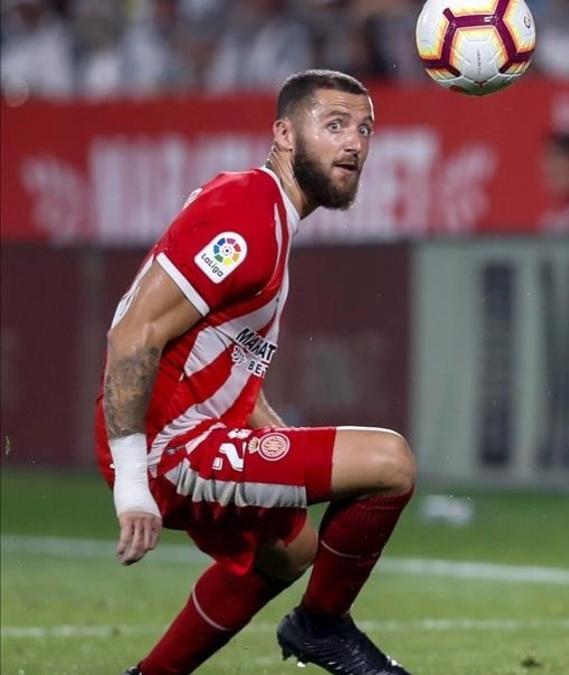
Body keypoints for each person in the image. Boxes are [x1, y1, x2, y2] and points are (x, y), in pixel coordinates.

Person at [97, 69, 416, 675]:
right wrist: (133, 482)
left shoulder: (265, 214)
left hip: (185, 433)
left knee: (290, 552)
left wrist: (268, 431)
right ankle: (321, 629)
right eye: (335, 125)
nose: (354, 143)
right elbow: (131, 334)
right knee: (389, 464)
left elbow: (221, 359)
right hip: (169, 444)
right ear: (285, 135)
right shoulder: (246, 210)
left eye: (365, 129)